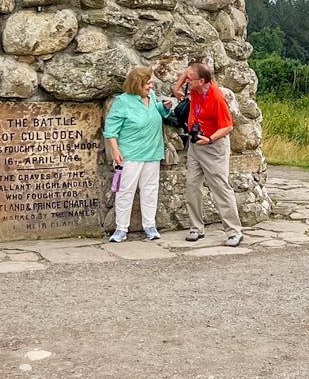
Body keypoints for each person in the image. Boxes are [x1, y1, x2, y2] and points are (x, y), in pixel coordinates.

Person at [174, 62, 244, 246]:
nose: (186, 81)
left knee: (220, 187)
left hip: (213, 146)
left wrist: (210, 139)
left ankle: (234, 231)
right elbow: (185, 75)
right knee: (192, 186)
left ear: (202, 81)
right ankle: (196, 227)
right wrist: (176, 88)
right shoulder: (195, 87)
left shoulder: (217, 97)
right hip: (196, 144)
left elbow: (227, 126)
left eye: (190, 79)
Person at [102, 67, 175, 242]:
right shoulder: (123, 101)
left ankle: (150, 226)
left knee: (150, 190)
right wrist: (115, 150)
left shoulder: (150, 97)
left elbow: (156, 111)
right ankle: (121, 228)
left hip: (152, 151)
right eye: (147, 82)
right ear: (137, 83)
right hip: (130, 154)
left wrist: (164, 107)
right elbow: (111, 128)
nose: (151, 85)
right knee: (125, 190)